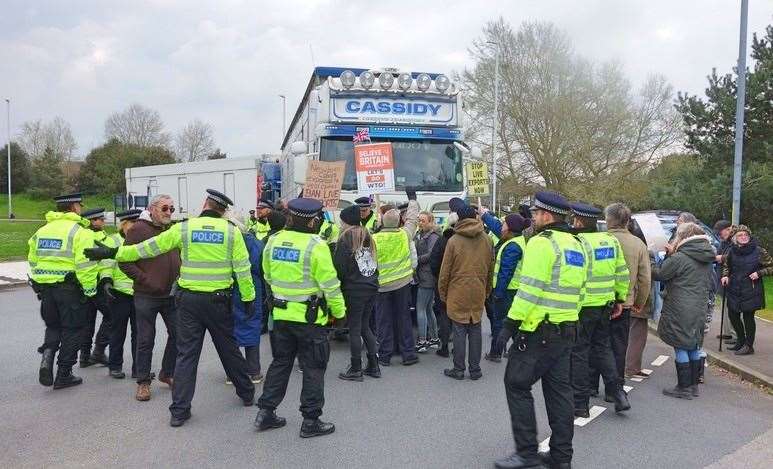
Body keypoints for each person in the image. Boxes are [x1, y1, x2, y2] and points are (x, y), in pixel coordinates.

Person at [86, 189, 257, 427]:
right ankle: (247, 393)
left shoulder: (184, 228)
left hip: (188, 302)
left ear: (204, 204)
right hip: (218, 302)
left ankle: (179, 411)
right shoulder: (231, 232)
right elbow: (242, 269)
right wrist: (248, 298)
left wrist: (114, 251)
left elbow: (147, 249)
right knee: (228, 348)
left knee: (186, 355)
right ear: (223, 210)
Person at [494, 191, 585, 469]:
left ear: (546, 216)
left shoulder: (540, 244)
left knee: (516, 383)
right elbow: (580, 290)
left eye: (535, 213)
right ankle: (561, 457)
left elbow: (529, 291)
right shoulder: (574, 244)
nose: (532, 218)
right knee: (559, 394)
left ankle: (527, 453)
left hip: (539, 330)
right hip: (566, 328)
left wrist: (508, 327)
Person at [254, 198, 346, 438]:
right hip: (310, 320)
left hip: (281, 316)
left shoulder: (273, 241)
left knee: (280, 363)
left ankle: (265, 412)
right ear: (314, 221)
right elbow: (331, 285)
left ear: (290, 218)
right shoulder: (316, 246)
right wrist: (339, 313)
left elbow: (267, 275)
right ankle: (311, 420)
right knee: (314, 367)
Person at [28, 192, 97, 389]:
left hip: (46, 290)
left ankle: (47, 358)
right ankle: (64, 374)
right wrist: (90, 291)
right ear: (74, 207)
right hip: (70, 290)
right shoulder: (79, 232)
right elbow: (86, 266)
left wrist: (40, 281)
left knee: (53, 327)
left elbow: (32, 260)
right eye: (80, 206)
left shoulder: (41, 231)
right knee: (72, 330)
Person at [569, 202, 631, 418]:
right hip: (605, 305)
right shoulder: (610, 241)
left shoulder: (578, 242)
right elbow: (622, 273)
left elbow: (573, 276)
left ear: (578, 221)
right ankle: (618, 394)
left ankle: (580, 403)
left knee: (579, 353)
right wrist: (619, 298)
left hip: (582, 306)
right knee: (603, 349)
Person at [119, 194, 180, 400]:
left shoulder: (171, 229)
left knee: (178, 334)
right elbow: (124, 261)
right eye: (164, 208)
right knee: (146, 339)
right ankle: (143, 382)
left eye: (172, 209)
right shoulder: (138, 229)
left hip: (170, 294)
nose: (169, 213)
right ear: (152, 208)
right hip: (146, 295)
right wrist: (146, 280)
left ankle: (167, 373)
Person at [652, 223, 716, 399]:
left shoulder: (680, 257)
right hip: (698, 306)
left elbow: (661, 274)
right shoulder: (705, 255)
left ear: (683, 237)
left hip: (680, 306)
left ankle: (683, 387)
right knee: (693, 344)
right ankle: (693, 386)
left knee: (680, 345)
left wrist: (655, 258)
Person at [438, 205, 494, 380]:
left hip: (457, 289)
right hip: (478, 288)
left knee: (459, 328)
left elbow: (445, 271)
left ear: (459, 219)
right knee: (475, 327)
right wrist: (487, 289)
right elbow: (491, 268)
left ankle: (459, 368)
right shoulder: (487, 239)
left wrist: (443, 293)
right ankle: (475, 369)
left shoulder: (454, 241)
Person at [603, 204, 652, 380]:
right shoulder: (638, 244)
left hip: (598, 300)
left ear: (608, 220)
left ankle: (591, 386)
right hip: (625, 302)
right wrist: (639, 302)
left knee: (596, 344)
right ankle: (615, 386)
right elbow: (645, 279)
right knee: (619, 345)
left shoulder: (601, 240)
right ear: (627, 221)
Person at [372, 189, 420, 366]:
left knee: (383, 321)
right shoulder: (405, 235)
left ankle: (385, 355)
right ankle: (408, 354)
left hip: (382, 286)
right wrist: (412, 200)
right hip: (402, 284)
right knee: (404, 319)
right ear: (399, 221)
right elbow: (413, 219)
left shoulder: (374, 239)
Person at [334, 205, 380, 381]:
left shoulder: (345, 238)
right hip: (371, 285)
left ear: (346, 221)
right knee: (364, 326)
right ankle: (373, 365)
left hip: (354, 288)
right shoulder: (368, 236)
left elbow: (340, 267)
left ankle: (355, 368)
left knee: (354, 327)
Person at [480, 209, 529, 362]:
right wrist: (485, 215)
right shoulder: (514, 240)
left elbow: (505, 273)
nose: (501, 227)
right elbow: (495, 227)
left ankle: (496, 352)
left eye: (504, 224)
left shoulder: (512, 246)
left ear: (510, 228)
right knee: (510, 322)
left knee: (499, 323)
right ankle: (518, 351)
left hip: (507, 291)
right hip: (511, 290)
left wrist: (498, 293)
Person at [102, 209, 143, 379]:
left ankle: (138, 368)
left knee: (140, 334)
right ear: (124, 224)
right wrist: (106, 281)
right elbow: (106, 263)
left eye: (138, 224)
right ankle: (115, 366)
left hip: (140, 293)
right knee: (118, 332)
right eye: (133, 224)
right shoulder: (113, 241)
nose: (135, 228)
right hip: (119, 294)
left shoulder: (142, 241)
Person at [721, 225, 773, 355]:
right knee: (733, 315)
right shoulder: (732, 251)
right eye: (740, 235)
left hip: (751, 288)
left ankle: (749, 346)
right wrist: (725, 276)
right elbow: (727, 266)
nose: (743, 237)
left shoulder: (758, 251)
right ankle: (740, 341)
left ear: (749, 237)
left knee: (748, 317)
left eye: (746, 235)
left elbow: (771, 266)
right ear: (735, 238)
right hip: (734, 288)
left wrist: (759, 273)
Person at [228, 213, 265, 383]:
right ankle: (253, 371)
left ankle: (233, 373)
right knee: (251, 325)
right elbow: (260, 265)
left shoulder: (226, 239)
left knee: (230, 329)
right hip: (251, 286)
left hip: (228, 286)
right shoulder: (253, 241)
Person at [79, 207, 112, 368]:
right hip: (97, 283)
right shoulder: (93, 237)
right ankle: (98, 351)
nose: (103, 222)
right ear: (92, 221)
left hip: (83, 285)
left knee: (88, 321)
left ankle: (85, 357)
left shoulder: (81, 234)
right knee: (112, 315)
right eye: (101, 219)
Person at [429, 212, 459, 357]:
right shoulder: (465, 240)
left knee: (444, 314)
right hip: (459, 283)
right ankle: (458, 347)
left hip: (443, 282)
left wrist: (439, 276)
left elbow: (433, 262)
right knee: (458, 316)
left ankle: (445, 345)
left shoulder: (442, 240)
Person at [414, 211, 441, 353]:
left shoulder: (433, 236)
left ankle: (423, 341)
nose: (420, 223)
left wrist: (416, 260)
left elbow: (431, 254)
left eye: (423, 221)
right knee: (428, 308)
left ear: (431, 222)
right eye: (419, 220)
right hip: (426, 275)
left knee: (421, 309)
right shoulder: (422, 234)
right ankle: (434, 339)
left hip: (427, 276)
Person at [713, 219, 736, 343]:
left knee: (733, 307)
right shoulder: (724, 242)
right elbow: (717, 255)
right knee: (725, 306)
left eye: (720, 232)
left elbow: (738, 255)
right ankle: (727, 332)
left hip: (733, 278)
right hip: (722, 277)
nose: (719, 235)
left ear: (728, 229)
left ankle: (736, 334)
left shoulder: (737, 240)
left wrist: (721, 257)